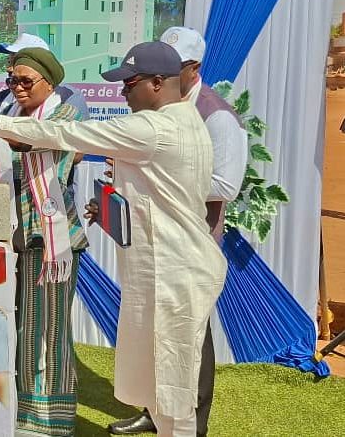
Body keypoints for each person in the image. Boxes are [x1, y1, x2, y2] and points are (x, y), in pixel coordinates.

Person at [0, 41, 227, 437]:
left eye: (130, 84)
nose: (122, 93)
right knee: (159, 379)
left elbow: (66, 132)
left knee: (173, 383)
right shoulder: (186, 120)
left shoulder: (154, 128)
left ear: (158, 82)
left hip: (174, 270)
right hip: (167, 264)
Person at [107, 27, 247, 437]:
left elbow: (226, 185)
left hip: (189, 245)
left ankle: (192, 424)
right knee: (156, 337)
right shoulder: (159, 110)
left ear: (193, 68)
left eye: (175, 65)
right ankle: (155, 412)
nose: (167, 72)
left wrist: (157, 172)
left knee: (188, 343)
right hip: (154, 246)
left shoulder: (216, 115)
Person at [0, 47, 89, 435]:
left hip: (51, 238)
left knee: (50, 329)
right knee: (21, 327)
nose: (17, 87)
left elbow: (31, 143)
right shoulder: (13, 111)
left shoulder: (64, 115)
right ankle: (23, 411)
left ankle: (51, 420)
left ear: (49, 83)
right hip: (15, 235)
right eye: (11, 80)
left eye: (25, 80)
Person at [0, 34, 88, 119]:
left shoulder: (68, 97)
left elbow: (51, 131)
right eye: (9, 61)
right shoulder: (2, 98)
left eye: (18, 61)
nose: (9, 68)